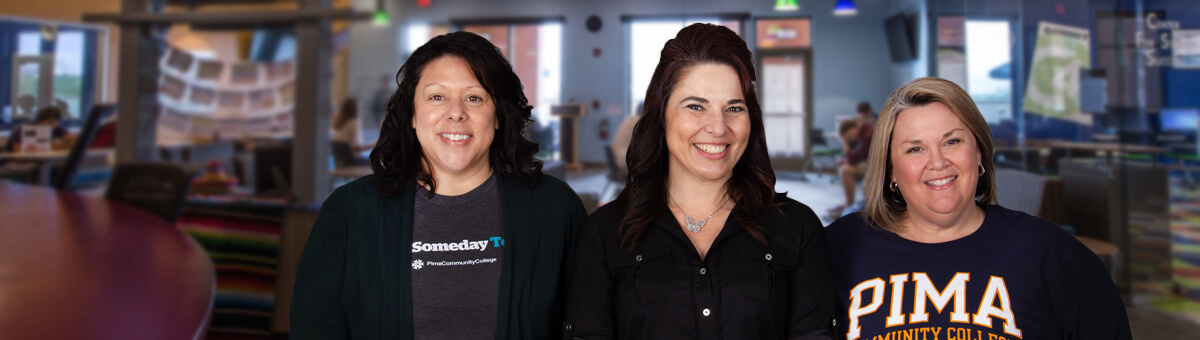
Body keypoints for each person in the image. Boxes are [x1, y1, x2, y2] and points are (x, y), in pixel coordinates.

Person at [291, 31, 587, 339]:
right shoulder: (349, 212)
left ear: (498, 115)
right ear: (412, 115)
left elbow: (587, 327)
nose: (456, 113)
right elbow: (315, 327)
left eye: (474, 97)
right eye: (437, 96)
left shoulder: (555, 209)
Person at [566, 23, 835, 339]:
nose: (718, 127)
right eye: (696, 106)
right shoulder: (604, 235)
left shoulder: (797, 228)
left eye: (734, 108)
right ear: (662, 116)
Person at [825, 77, 1131, 340]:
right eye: (915, 149)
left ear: (979, 152)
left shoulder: (1048, 252)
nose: (938, 162)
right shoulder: (838, 248)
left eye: (953, 141)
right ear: (891, 170)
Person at [830, 101, 875, 217]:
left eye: (849, 136)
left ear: (852, 129)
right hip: (870, 163)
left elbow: (853, 159)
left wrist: (844, 142)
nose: (851, 139)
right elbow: (859, 155)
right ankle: (847, 204)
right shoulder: (866, 129)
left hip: (876, 167)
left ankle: (848, 205)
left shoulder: (868, 135)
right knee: (845, 166)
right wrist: (847, 160)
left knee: (846, 170)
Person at [4, 106, 75, 152]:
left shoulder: (56, 127)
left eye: (56, 122)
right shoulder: (22, 129)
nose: (53, 125)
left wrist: (65, 143)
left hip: (41, 161)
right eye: (50, 122)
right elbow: (17, 150)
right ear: (39, 120)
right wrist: (51, 147)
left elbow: (71, 141)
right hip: (14, 162)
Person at [330, 97, 374, 165]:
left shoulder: (339, 124)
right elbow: (356, 148)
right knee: (378, 163)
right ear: (355, 109)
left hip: (341, 161)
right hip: (353, 161)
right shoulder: (353, 123)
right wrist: (376, 144)